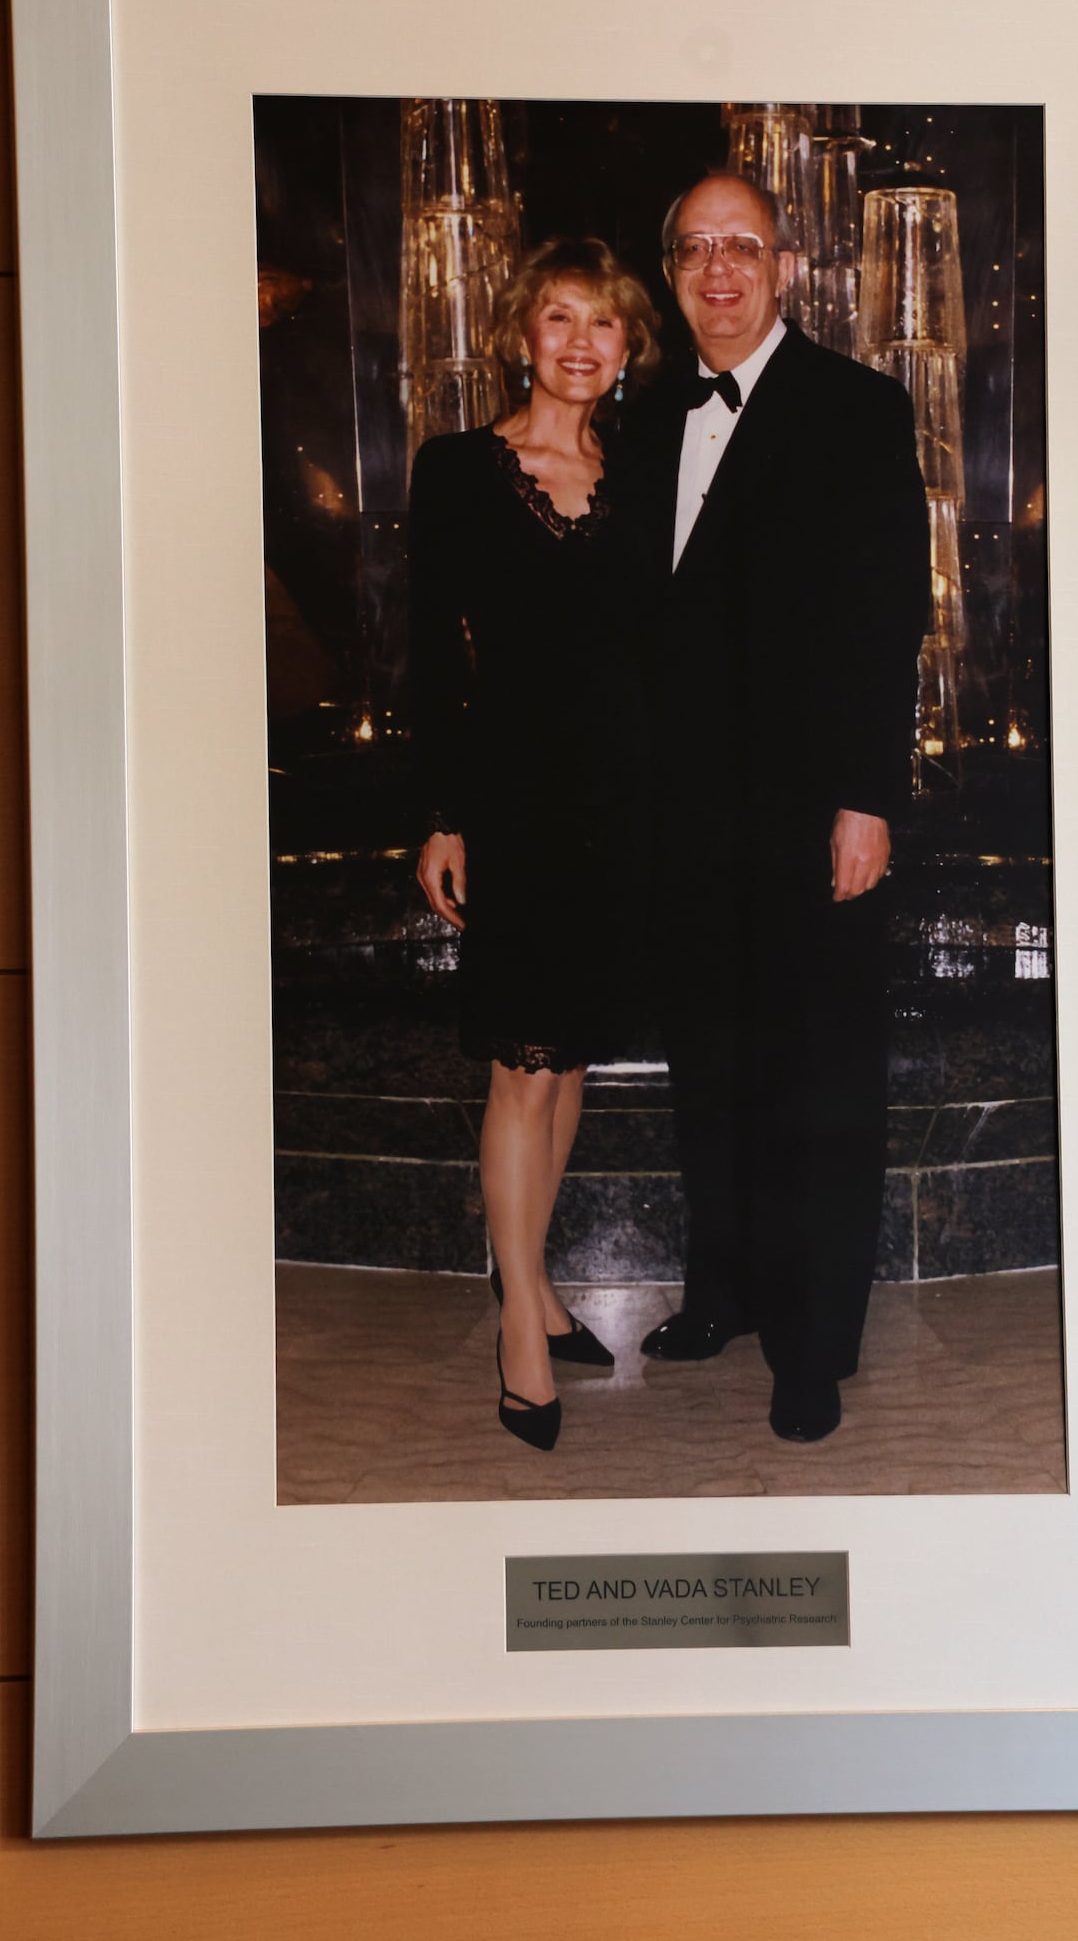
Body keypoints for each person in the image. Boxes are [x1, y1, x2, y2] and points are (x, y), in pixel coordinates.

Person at [622, 173, 929, 1444]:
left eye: (742, 245)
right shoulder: (644, 417)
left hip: (812, 810)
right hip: (684, 815)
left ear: (787, 265)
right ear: (671, 271)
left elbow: (887, 615)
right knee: (714, 1066)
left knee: (819, 1079)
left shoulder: (858, 407)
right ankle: (725, 1293)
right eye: (694, 249)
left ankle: (814, 1347)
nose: (719, 270)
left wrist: (868, 794)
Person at [408, 237, 659, 1451]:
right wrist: (444, 811)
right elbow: (427, 654)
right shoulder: (459, 470)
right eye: (559, 319)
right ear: (524, 334)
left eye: (602, 326)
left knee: (567, 1064)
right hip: (512, 800)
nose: (579, 344)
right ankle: (519, 1326)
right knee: (520, 1060)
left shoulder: (643, 472)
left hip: (619, 803)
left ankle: (540, 1278)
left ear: (626, 351)